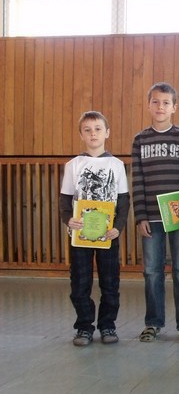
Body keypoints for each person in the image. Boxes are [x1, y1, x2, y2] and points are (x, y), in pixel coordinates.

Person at [132, 82, 179, 343]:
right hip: (151, 218)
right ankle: (153, 323)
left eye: (166, 103)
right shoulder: (140, 140)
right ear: (148, 105)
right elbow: (137, 180)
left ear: (174, 108)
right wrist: (140, 216)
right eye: (156, 102)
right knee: (152, 272)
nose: (160, 107)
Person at [60, 111, 130, 346]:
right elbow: (64, 201)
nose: (93, 134)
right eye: (87, 130)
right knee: (80, 283)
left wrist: (118, 227)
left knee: (110, 282)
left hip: (108, 235)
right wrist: (68, 220)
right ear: (81, 134)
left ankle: (108, 325)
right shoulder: (73, 165)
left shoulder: (117, 165)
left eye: (98, 129)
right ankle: (84, 327)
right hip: (80, 235)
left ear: (107, 133)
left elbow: (123, 201)